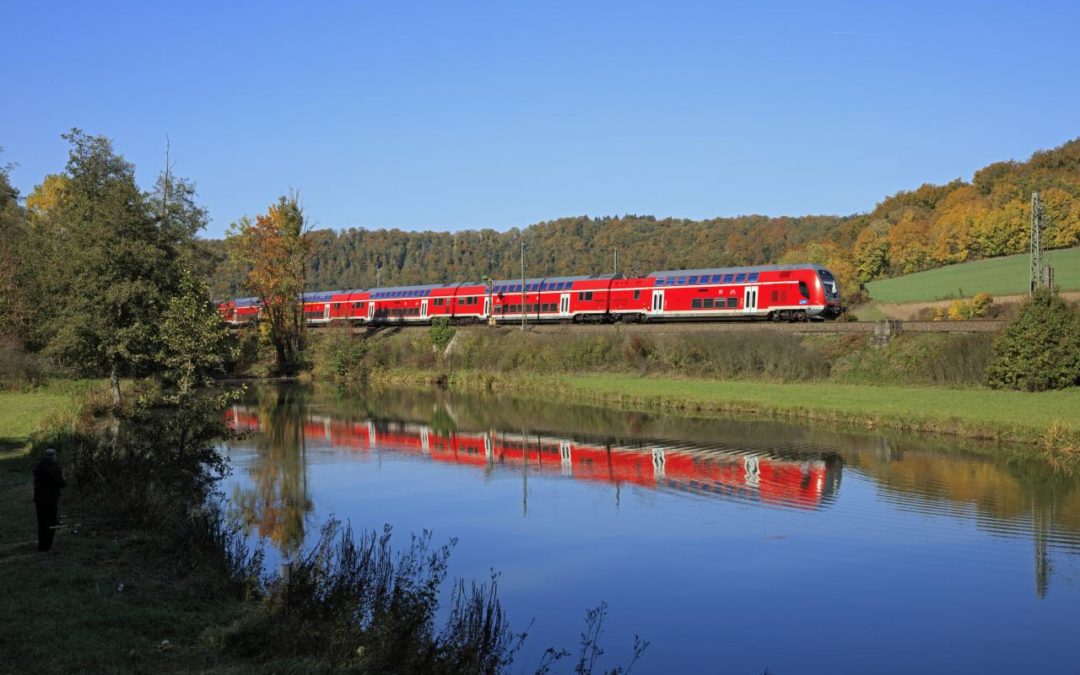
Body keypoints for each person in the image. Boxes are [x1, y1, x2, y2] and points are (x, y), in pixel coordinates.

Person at [33, 448, 66, 552]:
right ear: (52, 457)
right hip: (51, 499)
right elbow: (60, 483)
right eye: (55, 456)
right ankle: (47, 546)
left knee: (42, 523)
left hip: (39, 499)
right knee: (51, 522)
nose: (56, 458)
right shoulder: (54, 467)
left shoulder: (38, 467)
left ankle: (42, 546)